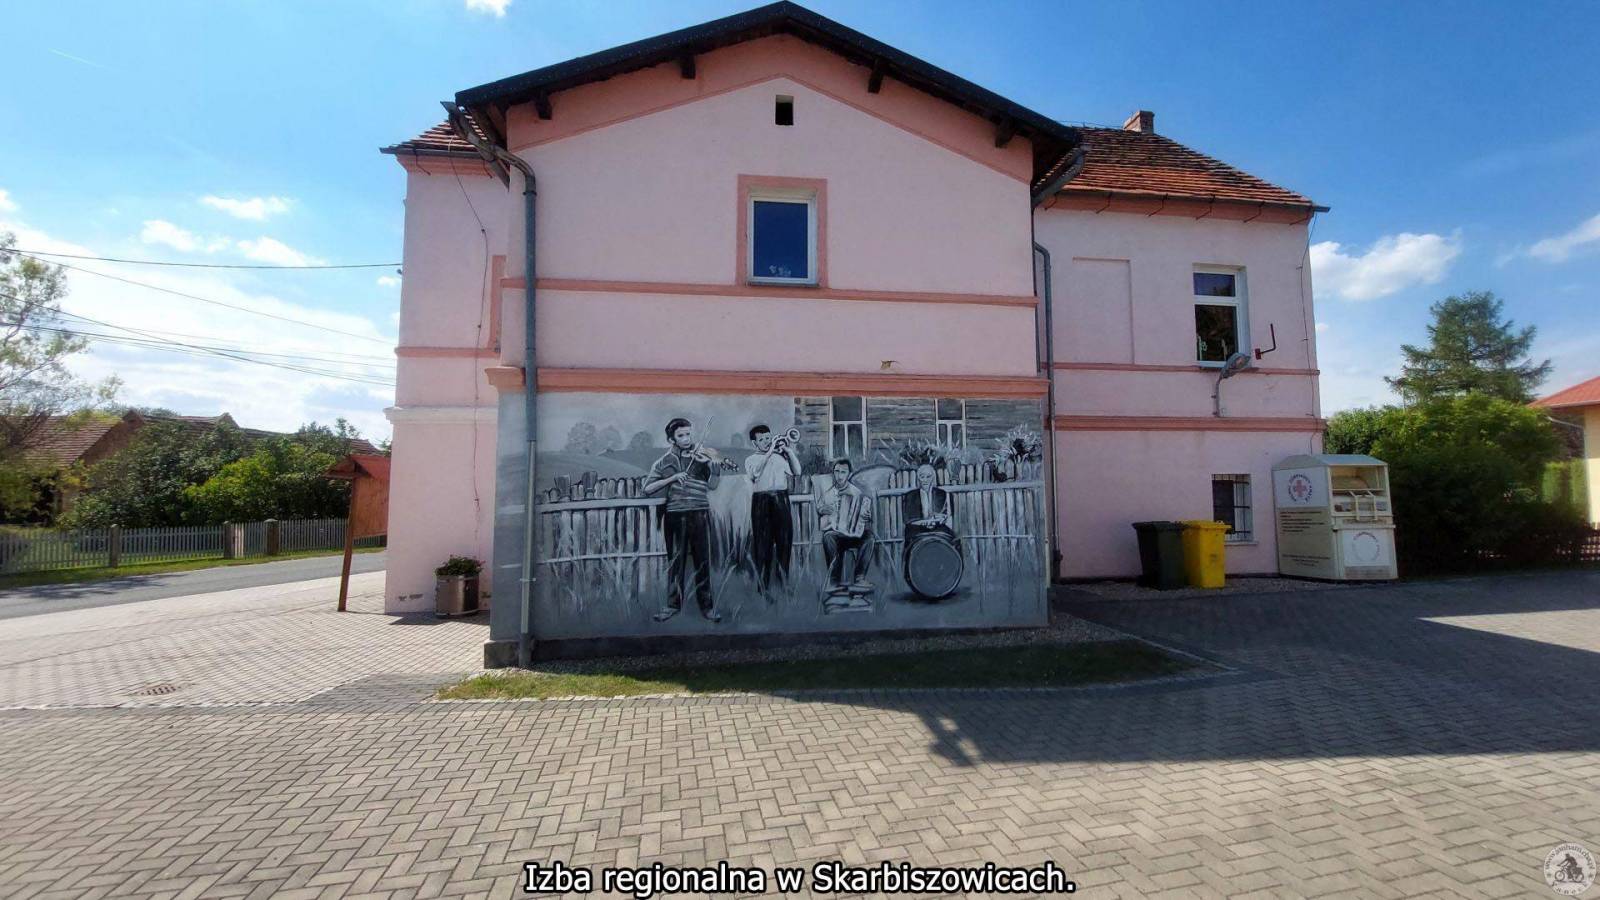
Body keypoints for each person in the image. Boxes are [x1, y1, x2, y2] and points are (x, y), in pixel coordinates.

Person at [643, 417, 722, 623]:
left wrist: (715, 470)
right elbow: (647, 488)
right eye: (681, 436)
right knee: (676, 561)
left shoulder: (702, 457)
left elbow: (713, 486)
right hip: (675, 514)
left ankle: (707, 607)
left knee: (702, 561)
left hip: (699, 513)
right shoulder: (664, 462)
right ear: (671, 439)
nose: (687, 439)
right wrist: (672, 478)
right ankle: (672, 605)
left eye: (688, 434)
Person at [744, 424, 801, 597]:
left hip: (781, 499)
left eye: (769, 438)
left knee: (785, 541)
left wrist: (789, 451)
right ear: (754, 443)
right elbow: (754, 474)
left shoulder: (779, 457)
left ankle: (783, 582)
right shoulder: (751, 459)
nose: (767, 442)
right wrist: (769, 453)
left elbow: (797, 471)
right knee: (763, 544)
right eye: (762, 439)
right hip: (761, 501)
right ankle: (763, 587)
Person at [816, 457, 874, 608]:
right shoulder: (828, 493)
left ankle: (860, 577)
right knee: (828, 537)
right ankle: (834, 580)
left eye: (843, 472)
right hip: (836, 533)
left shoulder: (857, 493)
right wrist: (823, 510)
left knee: (869, 537)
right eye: (837, 472)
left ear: (849, 474)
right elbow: (820, 513)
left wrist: (866, 517)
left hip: (853, 534)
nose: (839, 476)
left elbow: (864, 514)